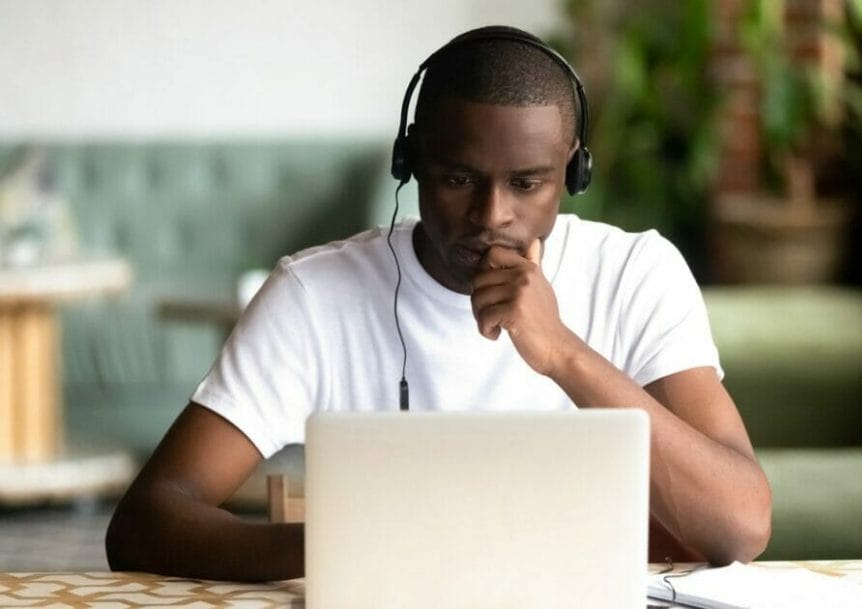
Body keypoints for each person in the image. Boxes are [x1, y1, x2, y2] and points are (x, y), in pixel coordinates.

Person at [106, 25, 771, 582]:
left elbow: (740, 524)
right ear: (412, 162)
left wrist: (562, 351)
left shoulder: (635, 273)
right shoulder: (314, 296)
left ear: (573, 171)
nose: (492, 215)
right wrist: (351, 546)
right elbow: (148, 519)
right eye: (458, 179)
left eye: (527, 183)